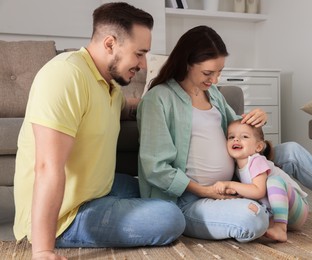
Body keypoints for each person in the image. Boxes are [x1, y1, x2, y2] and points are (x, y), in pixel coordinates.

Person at [137, 25, 312, 243]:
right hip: (192, 199)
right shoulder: (159, 99)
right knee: (252, 219)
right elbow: (156, 168)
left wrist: (257, 121)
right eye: (207, 73)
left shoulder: (211, 94)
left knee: (290, 151)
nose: (215, 80)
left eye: (219, 72)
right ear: (186, 63)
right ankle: (265, 208)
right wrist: (207, 191)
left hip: (239, 177)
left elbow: (239, 132)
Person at [13, 3, 185, 260]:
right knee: (169, 217)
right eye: (139, 53)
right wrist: (42, 250)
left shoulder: (110, 86)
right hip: (66, 214)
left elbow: (125, 107)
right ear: (109, 44)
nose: (143, 64)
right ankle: (48, 239)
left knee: (159, 186)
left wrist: (167, 103)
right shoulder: (65, 75)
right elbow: (47, 167)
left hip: (98, 190)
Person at [213, 120, 309, 242]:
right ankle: (275, 224)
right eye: (231, 137)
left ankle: (280, 228)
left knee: (273, 182)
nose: (236, 140)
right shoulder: (238, 167)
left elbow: (258, 191)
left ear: (258, 146)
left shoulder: (256, 161)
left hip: (297, 209)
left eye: (244, 137)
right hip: (281, 213)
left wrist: (230, 184)